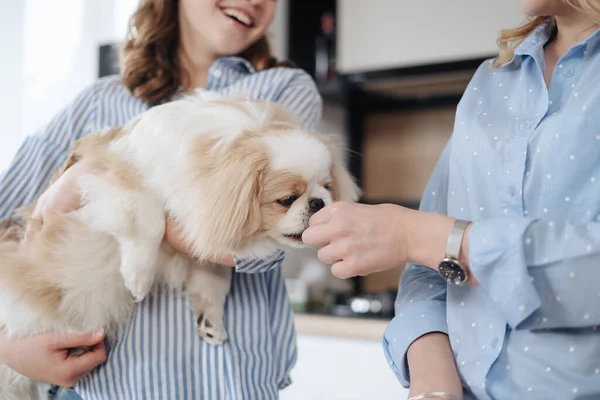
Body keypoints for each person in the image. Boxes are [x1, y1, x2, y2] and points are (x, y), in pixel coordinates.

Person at [0, 0, 322, 399]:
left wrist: (94, 173)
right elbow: (5, 215)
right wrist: (6, 347)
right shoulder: (98, 101)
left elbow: (261, 242)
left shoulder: (281, 91)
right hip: (106, 385)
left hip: (239, 384)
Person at [302, 0, 600, 399]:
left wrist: (427, 238)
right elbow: (430, 268)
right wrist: (432, 381)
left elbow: (433, 241)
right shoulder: (491, 81)